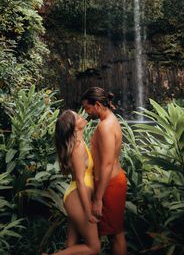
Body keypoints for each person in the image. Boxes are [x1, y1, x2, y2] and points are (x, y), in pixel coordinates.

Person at [42, 110, 100, 255]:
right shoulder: (78, 147)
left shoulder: (78, 143)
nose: (82, 116)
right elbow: (80, 181)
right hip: (78, 198)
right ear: (74, 127)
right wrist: (88, 212)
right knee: (94, 248)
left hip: (74, 197)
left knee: (71, 244)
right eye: (77, 117)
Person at [81, 87, 127, 255]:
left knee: (115, 234)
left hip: (111, 185)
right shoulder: (108, 121)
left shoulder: (105, 127)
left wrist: (98, 199)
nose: (86, 112)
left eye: (87, 108)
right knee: (114, 233)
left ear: (98, 104)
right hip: (109, 183)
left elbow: (107, 164)